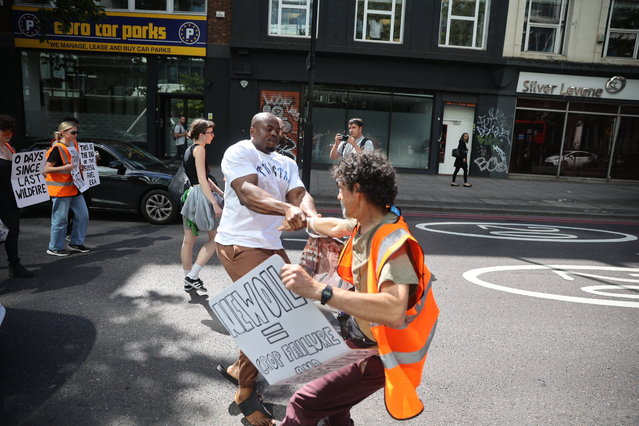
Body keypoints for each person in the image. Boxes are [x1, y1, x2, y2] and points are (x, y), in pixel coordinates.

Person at [279, 150, 439, 425]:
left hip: (379, 351)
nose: (339, 197)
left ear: (357, 190)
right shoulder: (369, 222)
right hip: (360, 339)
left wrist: (319, 290)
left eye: (341, 190)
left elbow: (392, 309)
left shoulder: (393, 244)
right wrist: (308, 222)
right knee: (334, 408)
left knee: (304, 402)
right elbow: (339, 226)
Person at [214, 112, 317, 426]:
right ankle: (245, 393)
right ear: (253, 129)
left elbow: (300, 195)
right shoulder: (240, 152)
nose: (274, 132)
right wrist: (286, 208)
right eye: (268, 127)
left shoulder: (286, 163)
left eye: (279, 129)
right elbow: (248, 193)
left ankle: (237, 368)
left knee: (289, 308)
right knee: (270, 316)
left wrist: (313, 218)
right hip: (239, 243)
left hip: (270, 245)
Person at [179, 119, 223, 291]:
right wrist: (214, 203)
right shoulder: (201, 150)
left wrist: (220, 193)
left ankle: (188, 279)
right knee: (215, 238)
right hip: (201, 196)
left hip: (191, 195)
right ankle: (192, 276)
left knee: (188, 240)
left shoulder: (189, 150)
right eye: (211, 133)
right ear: (202, 135)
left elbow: (201, 178)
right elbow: (203, 179)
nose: (213, 135)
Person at [45, 120, 90, 256]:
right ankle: (54, 247)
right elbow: (46, 169)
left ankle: (75, 243)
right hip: (61, 190)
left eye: (77, 132)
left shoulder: (72, 146)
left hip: (74, 188)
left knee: (83, 215)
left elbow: (72, 165)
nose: (76, 135)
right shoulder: (57, 148)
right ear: (64, 133)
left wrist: (79, 167)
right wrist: (65, 167)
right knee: (60, 219)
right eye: (73, 132)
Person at [0, 114, 34, 278]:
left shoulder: (10, 148)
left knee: (13, 233)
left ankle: (15, 265)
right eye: (4, 130)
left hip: (10, 199)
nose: (8, 134)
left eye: (11, 131)